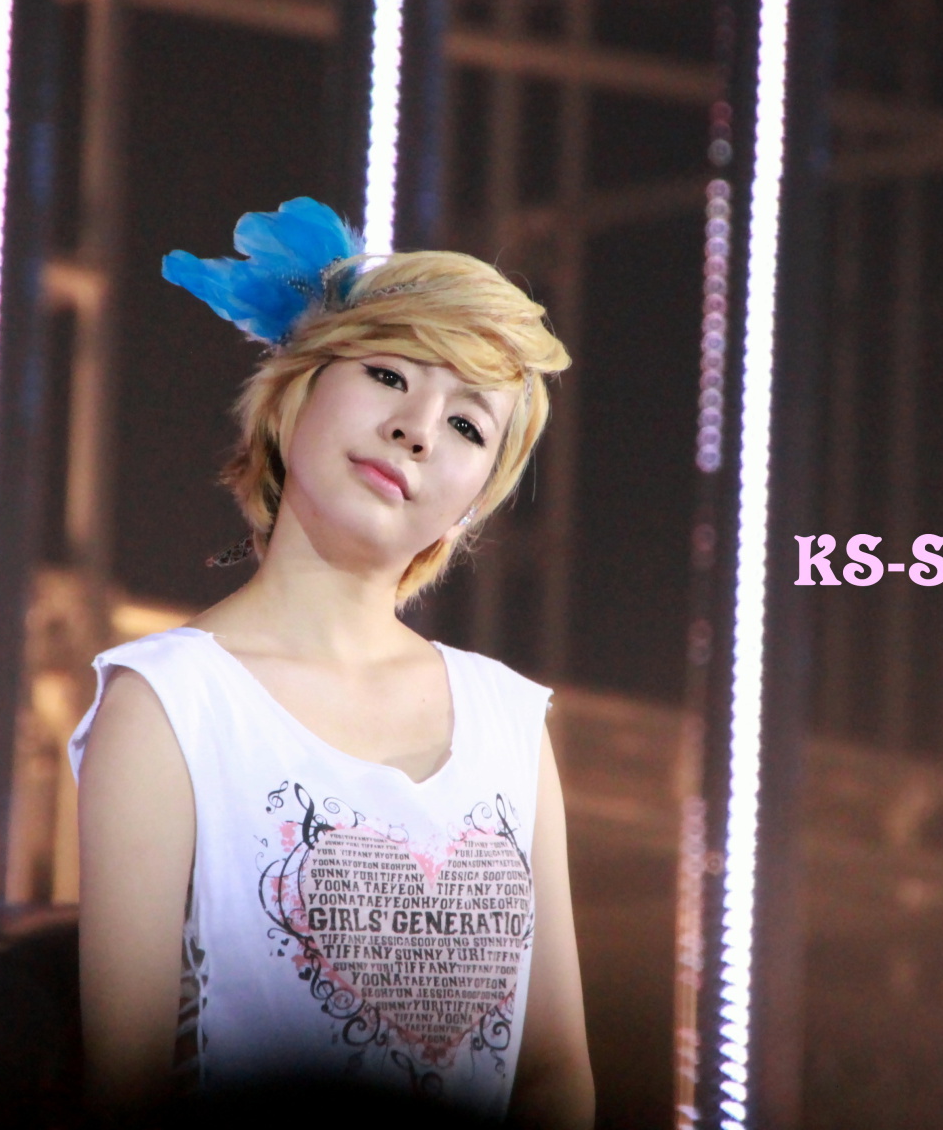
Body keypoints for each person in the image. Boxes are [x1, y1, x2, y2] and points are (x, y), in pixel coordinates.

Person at [71, 199, 592, 1126]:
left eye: (469, 426)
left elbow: (553, 1072)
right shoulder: (172, 704)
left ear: (477, 500)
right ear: (297, 394)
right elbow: (125, 1088)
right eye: (388, 375)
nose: (418, 429)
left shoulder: (507, 719)